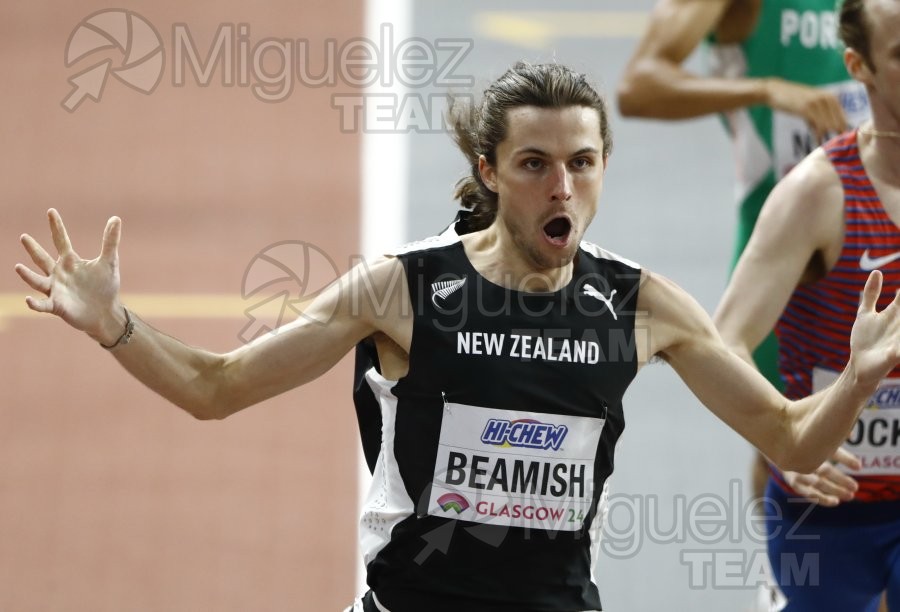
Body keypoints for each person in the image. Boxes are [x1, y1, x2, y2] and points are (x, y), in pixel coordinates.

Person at [15, 61, 900, 612]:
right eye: (534, 165)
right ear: (489, 169)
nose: (563, 188)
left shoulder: (642, 305)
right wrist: (115, 328)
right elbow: (215, 389)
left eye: (582, 164)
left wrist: (856, 380)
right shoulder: (404, 288)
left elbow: (789, 435)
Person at [617, 0, 873, 503]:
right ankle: (781, 577)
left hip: (879, 233)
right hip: (786, 265)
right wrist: (766, 90)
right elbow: (638, 86)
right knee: (789, 448)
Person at [714, 0, 900, 608]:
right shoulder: (818, 193)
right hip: (829, 507)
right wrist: (782, 443)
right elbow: (724, 341)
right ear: (859, 65)